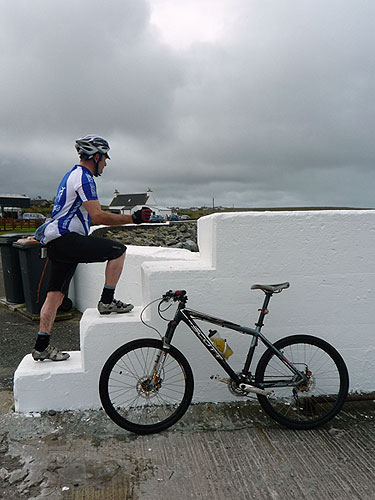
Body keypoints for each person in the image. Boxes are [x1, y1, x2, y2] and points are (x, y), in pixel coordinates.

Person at [32, 135, 151, 362]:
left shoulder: (70, 175)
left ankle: (41, 346)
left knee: (55, 296)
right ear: (95, 156)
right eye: (105, 158)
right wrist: (133, 218)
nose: (105, 163)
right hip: (67, 239)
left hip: (57, 241)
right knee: (117, 250)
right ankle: (107, 301)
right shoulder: (85, 178)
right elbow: (97, 215)